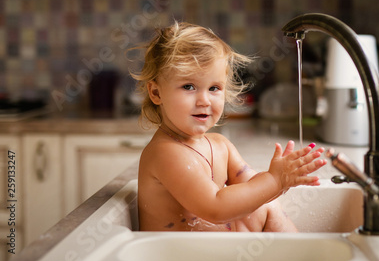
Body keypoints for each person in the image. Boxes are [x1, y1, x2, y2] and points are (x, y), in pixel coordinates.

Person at [132, 22, 326, 232]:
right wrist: (274, 180)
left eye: (214, 88)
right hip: (175, 255)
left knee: (265, 206)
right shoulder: (166, 153)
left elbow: (253, 188)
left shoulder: (220, 145)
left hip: (206, 251)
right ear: (156, 93)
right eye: (188, 86)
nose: (204, 100)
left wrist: (284, 177)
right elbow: (216, 207)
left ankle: (301, 254)